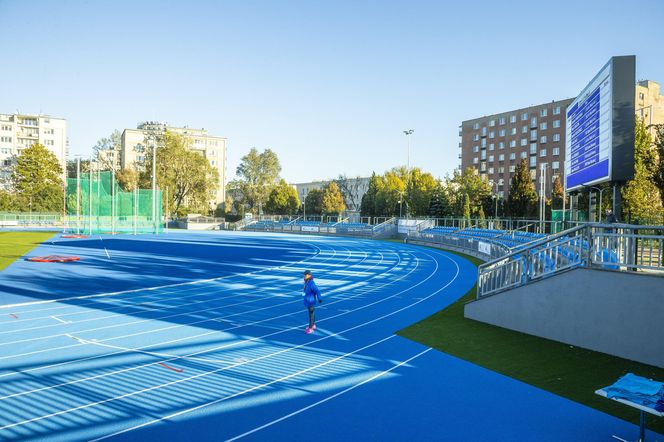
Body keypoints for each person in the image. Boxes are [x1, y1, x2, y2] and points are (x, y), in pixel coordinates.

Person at [302, 270, 323, 334]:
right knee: (311, 314)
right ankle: (313, 325)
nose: (304, 276)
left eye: (305, 275)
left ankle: (310, 328)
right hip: (308, 301)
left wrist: (319, 299)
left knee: (311, 315)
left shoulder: (311, 283)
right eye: (304, 275)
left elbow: (317, 291)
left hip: (311, 302)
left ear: (309, 275)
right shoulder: (307, 282)